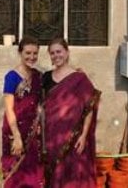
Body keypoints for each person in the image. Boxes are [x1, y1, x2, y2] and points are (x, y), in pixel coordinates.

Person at [42, 38, 101, 188]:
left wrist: (83, 135)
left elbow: (90, 106)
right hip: (52, 135)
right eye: (52, 53)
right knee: (54, 173)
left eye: (59, 51)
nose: (56, 55)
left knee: (73, 173)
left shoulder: (79, 79)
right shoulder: (46, 77)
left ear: (67, 53)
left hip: (73, 136)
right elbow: (41, 106)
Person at [1, 36, 43, 188]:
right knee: (15, 175)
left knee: (33, 175)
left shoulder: (38, 76)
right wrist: (17, 136)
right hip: (14, 131)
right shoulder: (11, 77)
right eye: (28, 53)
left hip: (34, 132)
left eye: (35, 53)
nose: (32, 57)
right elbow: (9, 109)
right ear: (20, 53)